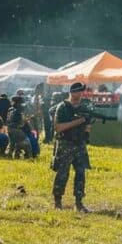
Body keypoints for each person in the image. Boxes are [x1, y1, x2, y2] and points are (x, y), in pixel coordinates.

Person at [51, 82, 92, 212]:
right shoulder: (62, 107)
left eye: (81, 92)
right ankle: (58, 202)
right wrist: (78, 121)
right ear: (72, 92)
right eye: (78, 92)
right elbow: (58, 128)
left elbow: (88, 127)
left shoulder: (84, 107)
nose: (80, 94)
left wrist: (87, 128)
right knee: (63, 173)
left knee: (81, 173)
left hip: (79, 144)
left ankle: (79, 203)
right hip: (65, 143)